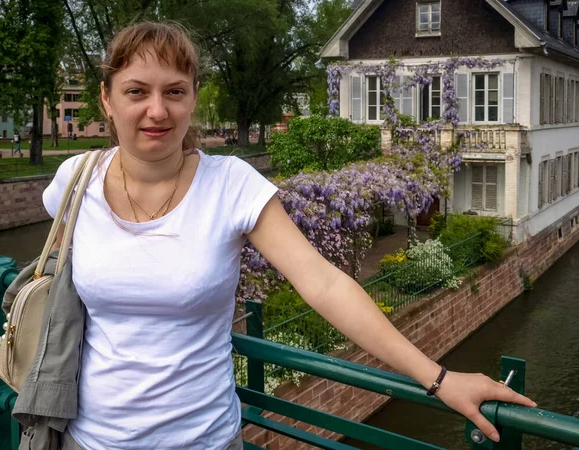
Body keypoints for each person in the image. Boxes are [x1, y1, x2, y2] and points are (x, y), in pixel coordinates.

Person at [43, 22, 536, 450]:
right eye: (136, 91)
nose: (157, 110)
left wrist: (439, 378)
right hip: (90, 438)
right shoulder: (74, 181)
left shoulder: (231, 185)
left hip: (202, 439)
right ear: (106, 99)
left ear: (193, 97)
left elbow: (323, 283)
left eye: (174, 91)